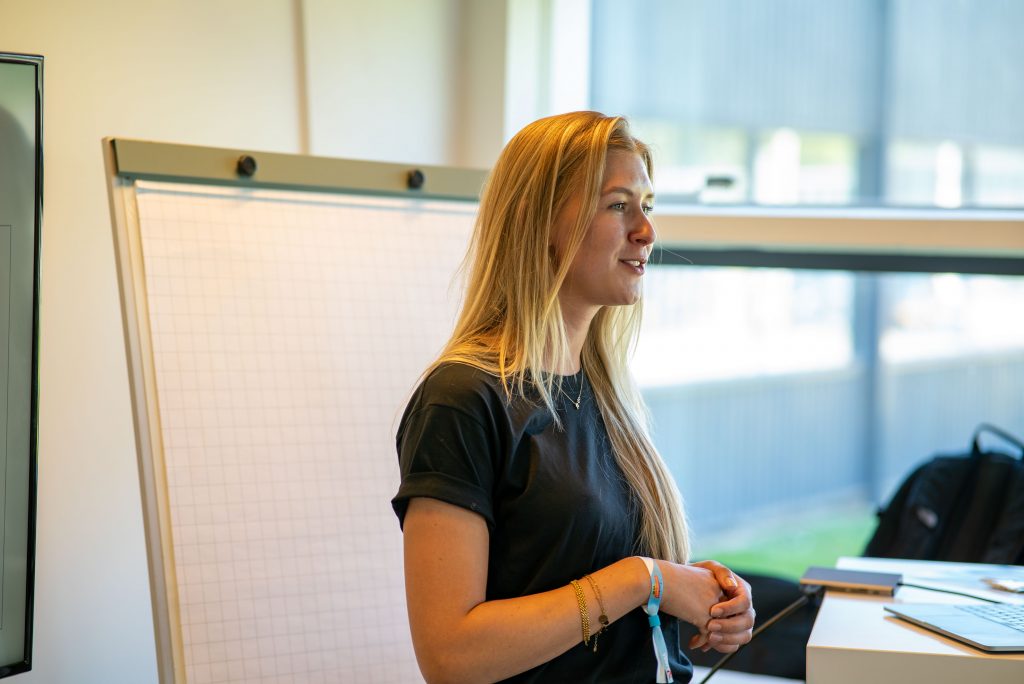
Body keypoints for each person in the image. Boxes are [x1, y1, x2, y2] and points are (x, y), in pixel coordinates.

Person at [391, 111, 754, 683]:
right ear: (539, 222)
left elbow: (592, 575)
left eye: (647, 206)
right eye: (618, 205)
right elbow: (450, 657)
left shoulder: (604, 392)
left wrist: (697, 592)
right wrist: (644, 579)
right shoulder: (461, 400)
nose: (646, 231)